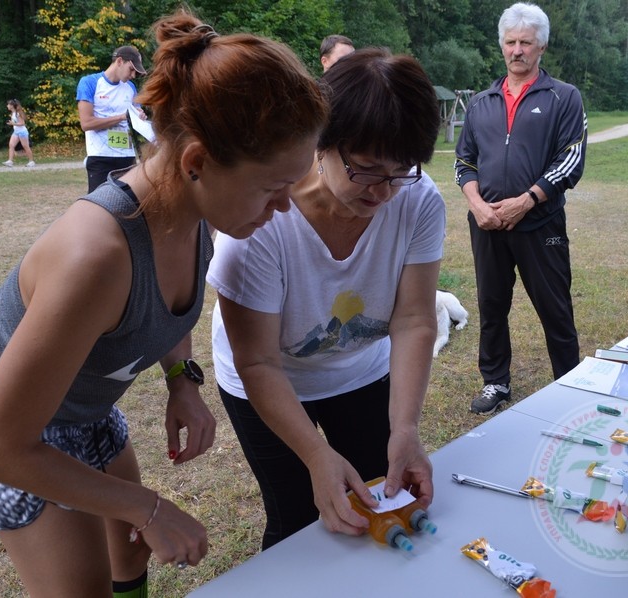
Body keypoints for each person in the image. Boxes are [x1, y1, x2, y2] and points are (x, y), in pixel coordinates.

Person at [0, 10, 328, 598]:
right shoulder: (95, 257)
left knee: (128, 558)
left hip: (85, 411)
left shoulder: (197, 212)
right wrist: (148, 506)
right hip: (14, 435)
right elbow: (0, 447)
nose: (285, 208)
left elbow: (167, 307)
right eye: (273, 188)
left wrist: (182, 379)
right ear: (196, 162)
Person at [209, 47, 444, 550]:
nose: (384, 192)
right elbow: (258, 361)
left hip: (359, 372)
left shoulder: (418, 200)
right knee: (296, 518)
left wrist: (405, 428)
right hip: (267, 377)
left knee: (376, 501)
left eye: (401, 171)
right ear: (322, 141)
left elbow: (415, 320)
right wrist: (316, 455)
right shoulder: (261, 222)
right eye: (367, 169)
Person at [454, 2, 587, 415]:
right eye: (510, 42)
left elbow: (571, 159)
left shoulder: (563, 97)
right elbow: (464, 162)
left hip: (540, 223)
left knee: (555, 308)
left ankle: (569, 384)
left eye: (525, 43)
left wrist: (526, 200)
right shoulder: (481, 102)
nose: (517, 50)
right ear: (502, 46)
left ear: (541, 46)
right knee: (491, 307)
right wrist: (477, 204)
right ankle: (495, 381)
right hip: (487, 225)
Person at [76, 45, 147, 192]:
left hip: (127, 157)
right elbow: (86, 123)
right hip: (100, 157)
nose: (133, 75)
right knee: (99, 204)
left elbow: (135, 117)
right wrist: (122, 117)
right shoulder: (89, 82)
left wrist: (140, 116)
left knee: (130, 204)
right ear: (119, 61)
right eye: (131, 69)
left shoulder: (131, 87)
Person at [2, 99, 35, 167]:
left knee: (26, 146)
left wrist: (13, 123)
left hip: (22, 132)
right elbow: (15, 123)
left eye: (8, 104)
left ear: (12, 106)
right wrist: (12, 123)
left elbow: (22, 123)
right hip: (16, 132)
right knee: (11, 145)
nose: (7, 106)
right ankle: (10, 161)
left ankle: (31, 161)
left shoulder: (18, 114)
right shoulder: (13, 113)